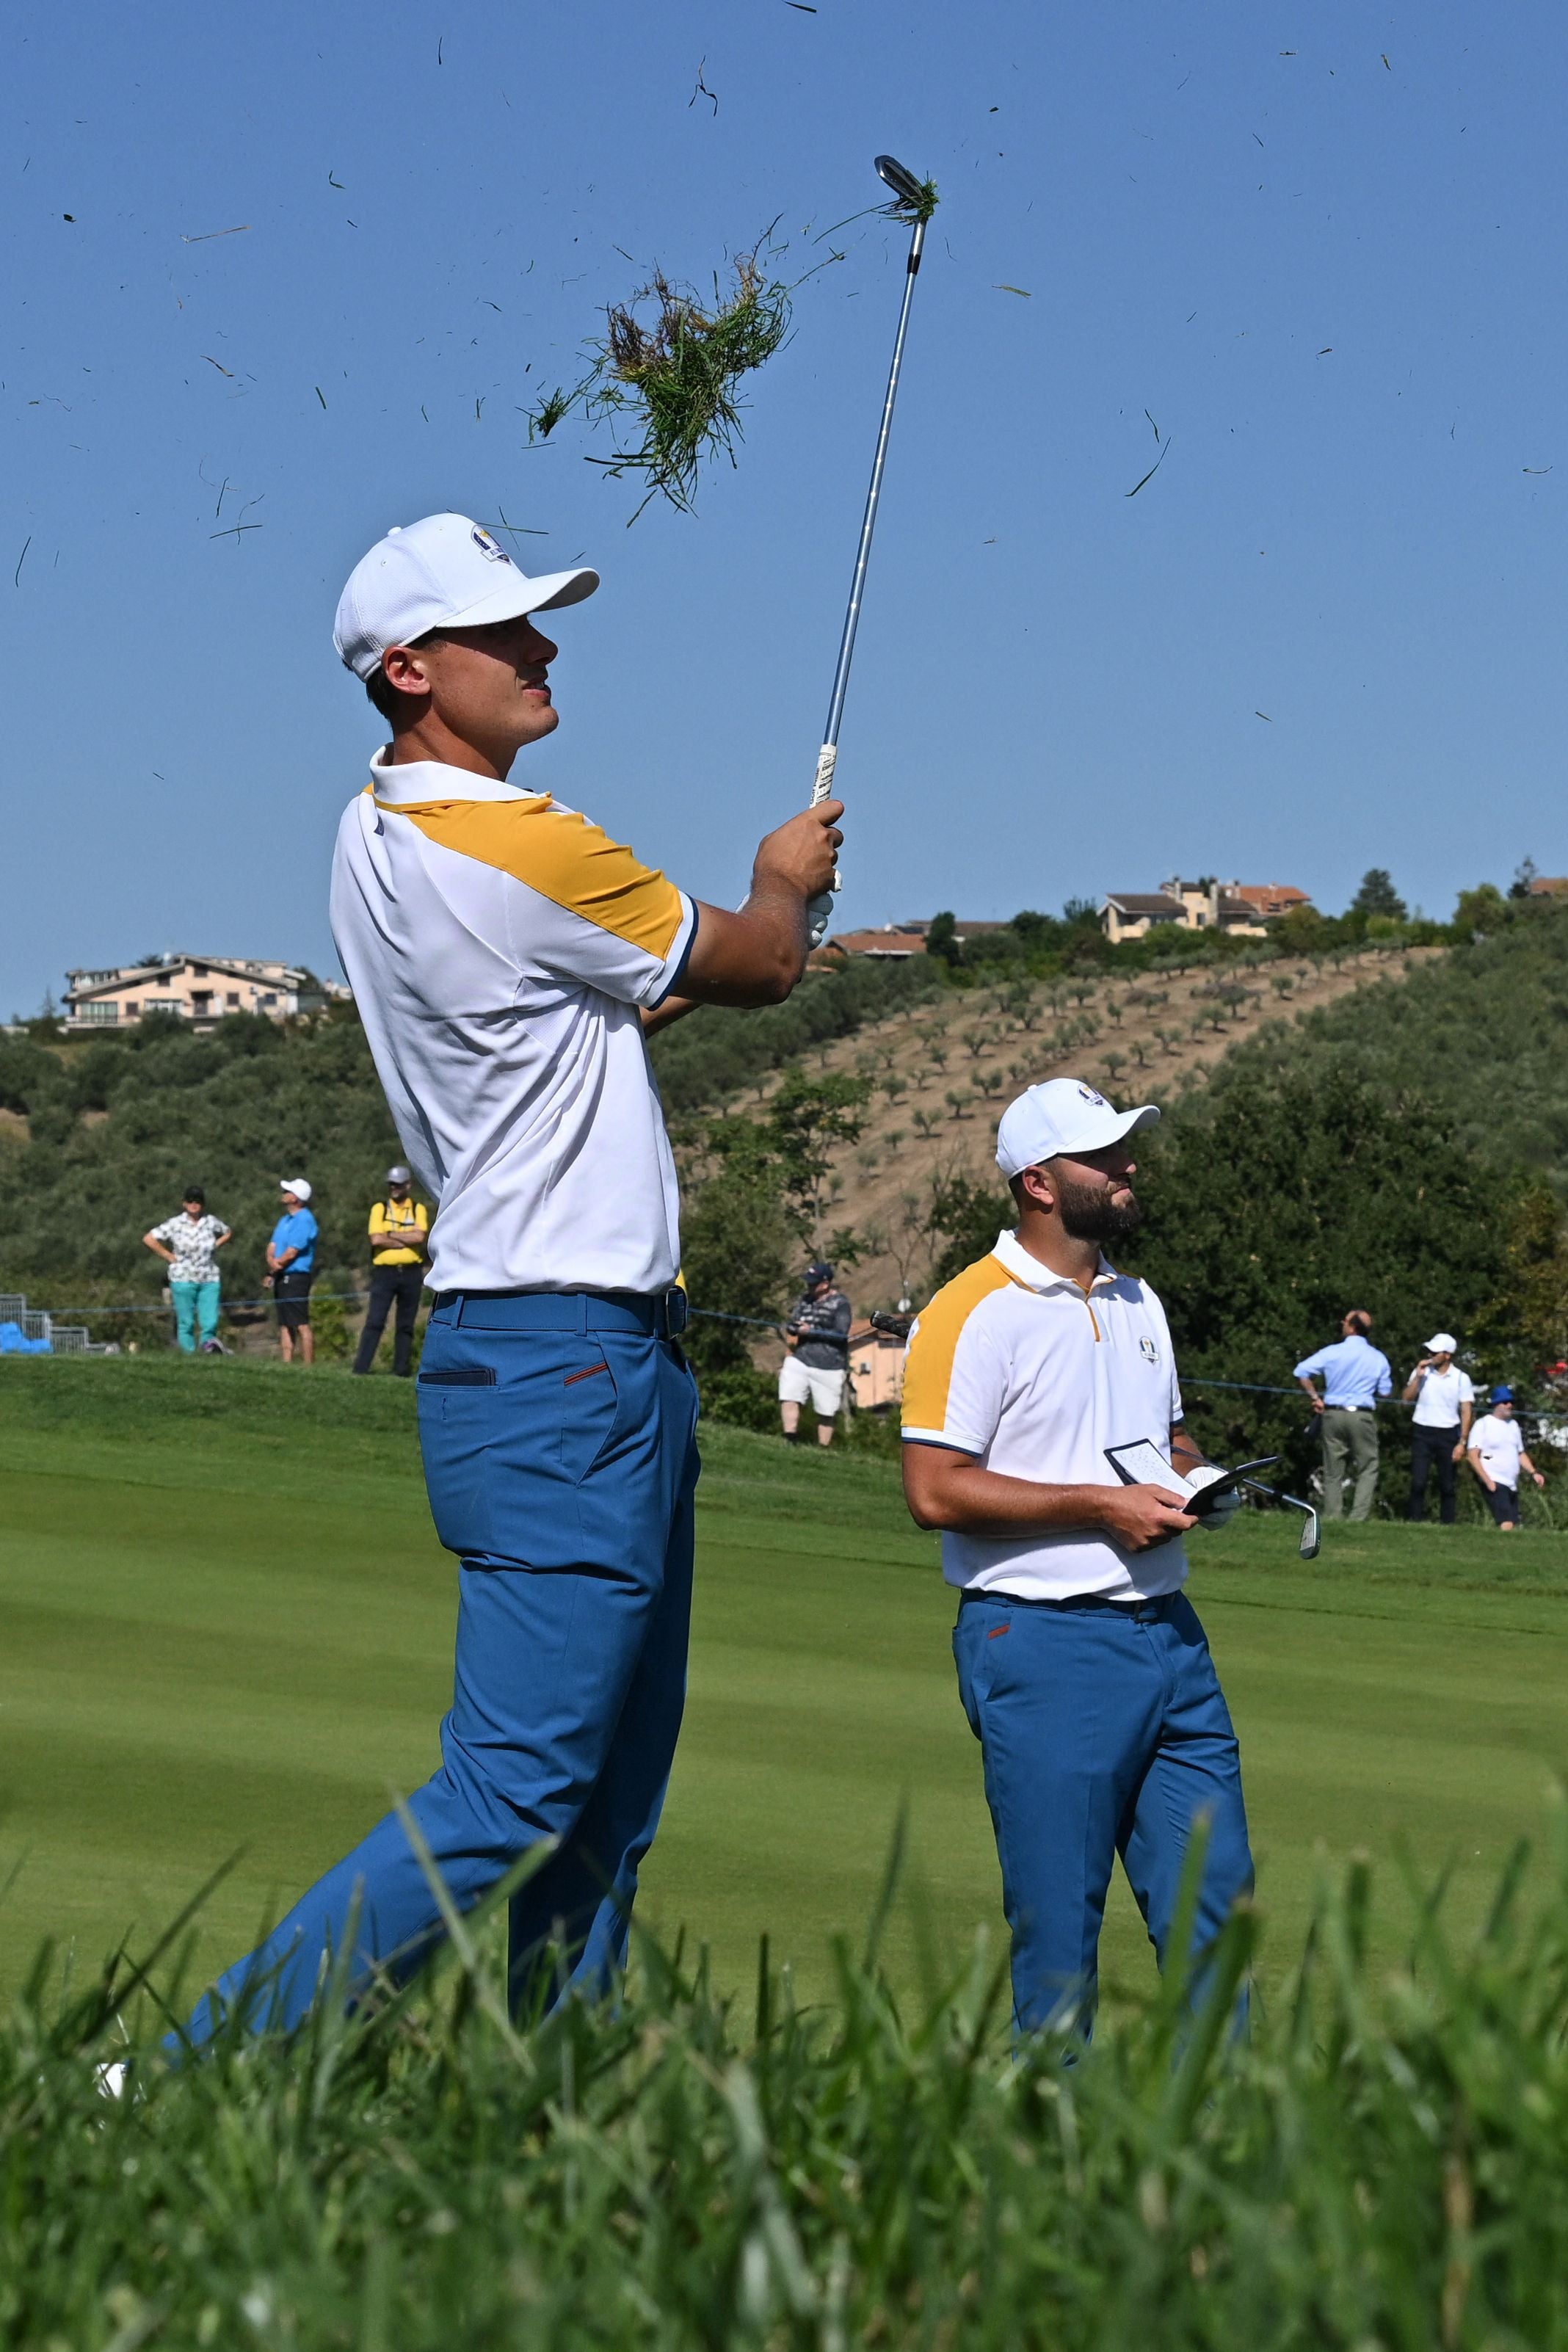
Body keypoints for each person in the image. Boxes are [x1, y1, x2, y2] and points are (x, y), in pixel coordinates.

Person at [178, 509, 841, 2046]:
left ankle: (556, 2124)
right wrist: (781, 876)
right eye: (505, 634)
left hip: (551, 1354)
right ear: (413, 670)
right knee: (522, 1787)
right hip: (567, 1358)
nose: (542, 651)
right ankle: (186, 2072)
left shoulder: (371, 833)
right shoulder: (529, 837)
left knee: (604, 1794)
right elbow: (757, 964)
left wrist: (738, 932)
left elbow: (574, 1033)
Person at [900, 1078, 1252, 2036]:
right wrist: (1100, 1506)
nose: (1129, 1166)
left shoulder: (1142, 1301)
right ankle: (1054, 2167)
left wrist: (1196, 1482)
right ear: (1040, 1183)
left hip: (1171, 1643)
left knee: (1221, 1930)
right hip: (1042, 1645)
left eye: (1127, 1149)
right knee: (1059, 1947)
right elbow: (934, 1489)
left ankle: (1231, 2169)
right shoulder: (970, 1310)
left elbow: (1168, 1440)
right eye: (1104, 1156)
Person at [1293, 1310, 1393, 1522]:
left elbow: (1301, 1371)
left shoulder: (1332, 1352)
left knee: (1333, 1468)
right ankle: (1358, 1517)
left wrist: (1315, 1397)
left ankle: (1332, 1515)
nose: (1342, 1324)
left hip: (1333, 1414)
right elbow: (1385, 1391)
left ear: (1353, 1327)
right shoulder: (1378, 1357)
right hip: (1362, 1416)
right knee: (1368, 1466)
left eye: (1345, 1322)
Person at [352, 1164, 429, 1376]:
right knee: (375, 1321)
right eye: (391, 1185)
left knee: (406, 1324)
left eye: (398, 1185)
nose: (394, 1188)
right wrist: (405, 1239)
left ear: (408, 1185)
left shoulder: (417, 1209)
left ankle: (401, 1370)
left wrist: (391, 1234)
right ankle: (361, 1369)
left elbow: (420, 1237)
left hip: (412, 1272)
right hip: (384, 1273)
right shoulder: (380, 1208)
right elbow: (376, 1239)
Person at [142, 1186, 232, 1354]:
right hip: (183, 1277)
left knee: (210, 1320)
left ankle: (209, 1349)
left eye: (197, 1201)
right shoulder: (175, 1223)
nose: (194, 1204)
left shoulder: (211, 1221)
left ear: (203, 1204)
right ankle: (188, 1355)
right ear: (184, 1203)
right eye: (190, 1201)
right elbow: (149, 1238)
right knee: (186, 1322)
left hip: (209, 1277)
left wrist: (215, 1245)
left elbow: (227, 1232)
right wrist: (168, 1256)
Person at [1402, 1332, 1475, 1524]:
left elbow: (1466, 1410)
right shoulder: (1422, 1373)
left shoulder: (1461, 1378)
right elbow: (1406, 1400)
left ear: (1447, 1355)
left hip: (1448, 1433)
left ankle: (1448, 1524)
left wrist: (1462, 1442)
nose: (1431, 1355)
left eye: (1435, 1352)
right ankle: (1414, 1521)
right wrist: (1418, 1378)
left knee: (1447, 1485)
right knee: (1418, 1482)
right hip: (1422, 1431)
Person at [779, 1261, 852, 1446]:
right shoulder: (806, 1300)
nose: (809, 1286)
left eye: (813, 1282)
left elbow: (841, 1333)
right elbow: (794, 1321)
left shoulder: (841, 1304)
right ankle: (789, 1439)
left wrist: (811, 1331)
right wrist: (794, 1328)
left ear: (825, 1284)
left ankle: (823, 1449)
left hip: (830, 1365)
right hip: (801, 1359)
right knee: (789, 1395)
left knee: (827, 1412)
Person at [1467, 1386, 1545, 1531]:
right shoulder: (1483, 1425)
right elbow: (1473, 1455)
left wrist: (1534, 1472)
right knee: (1506, 1522)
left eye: (1511, 1402)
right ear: (1496, 1404)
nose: (1509, 1405)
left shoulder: (1513, 1426)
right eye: (1505, 1402)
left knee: (1513, 1524)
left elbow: (1520, 1453)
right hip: (1494, 1480)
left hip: (1511, 1483)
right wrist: (1487, 1481)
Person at [265, 1179, 319, 1365]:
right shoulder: (285, 1220)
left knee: (301, 1323)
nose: (284, 1193)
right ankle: (286, 1363)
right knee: (285, 1323)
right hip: (281, 1275)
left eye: (288, 1191)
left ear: (296, 1198)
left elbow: (292, 1252)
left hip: (296, 1277)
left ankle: (308, 1365)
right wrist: (272, 1265)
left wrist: (275, 1265)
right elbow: (272, 1246)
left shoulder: (305, 1219)